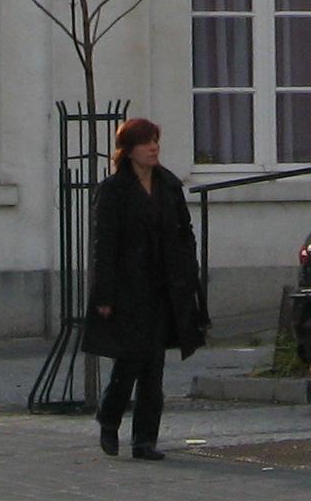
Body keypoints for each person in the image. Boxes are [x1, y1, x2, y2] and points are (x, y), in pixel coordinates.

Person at [85, 116, 207, 461]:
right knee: (129, 362)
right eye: (145, 142)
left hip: (164, 287)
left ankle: (144, 440)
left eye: (155, 141)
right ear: (128, 150)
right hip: (128, 288)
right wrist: (104, 294)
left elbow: (184, 232)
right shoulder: (113, 191)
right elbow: (104, 244)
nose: (153, 148)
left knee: (154, 366)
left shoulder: (168, 185)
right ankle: (109, 417)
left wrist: (189, 271)